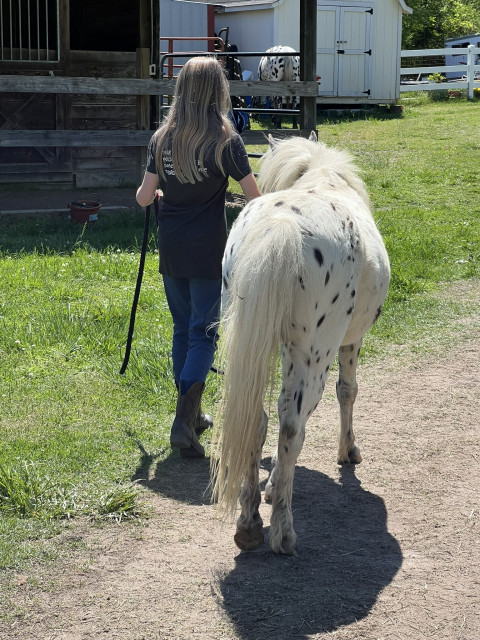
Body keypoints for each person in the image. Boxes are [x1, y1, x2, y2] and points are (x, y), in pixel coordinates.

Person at [136, 56, 261, 458]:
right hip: (209, 247)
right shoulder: (226, 140)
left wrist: (157, 193)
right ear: (216, 90)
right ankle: (183, 419)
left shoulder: (162, 138)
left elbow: (142, 197)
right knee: (204, 332)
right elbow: (255, 199)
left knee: (181, 328)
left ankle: (191, 415)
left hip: (171, 246)